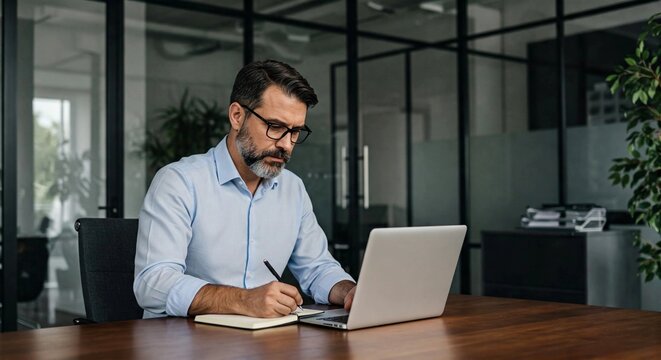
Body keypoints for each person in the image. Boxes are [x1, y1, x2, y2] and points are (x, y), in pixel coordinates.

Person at [134, 60, 357, 319]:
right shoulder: (179, 182)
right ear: (237, 116)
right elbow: (152, 284)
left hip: (265, 343)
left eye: (295, 131)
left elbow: (317, 268)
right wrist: (243, 300)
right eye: (275, 127)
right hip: (184, 343)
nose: (286, 145)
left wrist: (350, 291)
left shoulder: (292, 188)